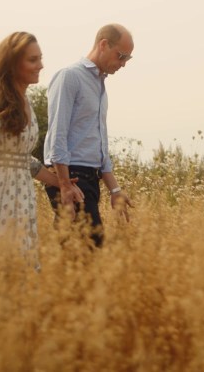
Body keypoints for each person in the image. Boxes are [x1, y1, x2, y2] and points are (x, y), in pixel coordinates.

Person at [0, 32, 82, 258]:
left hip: (24, 198)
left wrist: (61, 183)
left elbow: (23, 160)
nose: (41, 65)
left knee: (23, 272)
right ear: (12, 63)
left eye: (40, 58)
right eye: (33, 60)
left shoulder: (25, 102)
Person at [44, 23, 135, 248]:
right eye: (121, 56)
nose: (123, 64)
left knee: (74, 250)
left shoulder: (100, 86)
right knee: (91, 247)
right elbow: (58, 133)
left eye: (128, 59)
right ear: (103, 44)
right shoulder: (70, 77)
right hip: (72, 176)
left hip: (89, 177)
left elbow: (99, 144)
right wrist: (64, 184)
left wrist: (114, 189)